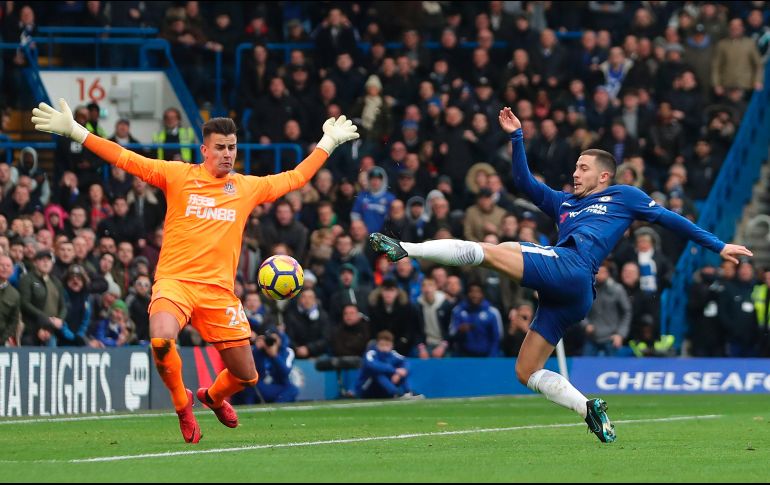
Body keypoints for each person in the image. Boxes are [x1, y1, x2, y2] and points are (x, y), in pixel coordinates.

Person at [369, 106, 752, 443]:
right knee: (526, 370)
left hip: (573, 269)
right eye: (575, 167)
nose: (575, 173)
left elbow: (670, 219)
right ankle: (589, 409)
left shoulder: (624, 196)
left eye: (583, 168)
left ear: (604, 176)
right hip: (570, 294)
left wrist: (718, 246)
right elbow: (524, 183)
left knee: (490, 251)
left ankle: (406, 249)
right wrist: (517, 137)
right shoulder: (564, 203)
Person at [32, 98, 358, 443]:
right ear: (204, 149)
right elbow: (127, 159)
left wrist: (328, 143)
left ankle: (212, 397)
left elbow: (294, 178)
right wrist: (76, 131)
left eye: (232, 147)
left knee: (247, 377)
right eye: (220, 148)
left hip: (218, 293)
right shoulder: (178, 175)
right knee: (160, 339)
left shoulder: (245, 188)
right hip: (175, 283)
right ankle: (182, 404)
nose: (227, 154)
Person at [355, 330, 420, 399]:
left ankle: (408, 392)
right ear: (377, 344)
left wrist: (399, 372)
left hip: (383, 390)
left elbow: (406, 362)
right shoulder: (371, 353)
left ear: (392, 345)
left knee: (402, 371)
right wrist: (394, 370)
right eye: (382, 345)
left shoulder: (393, 353)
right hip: (366, 389)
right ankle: (395, 393)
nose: (384, 348)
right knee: (377, 373)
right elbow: (372, 365)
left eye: (387, 345)